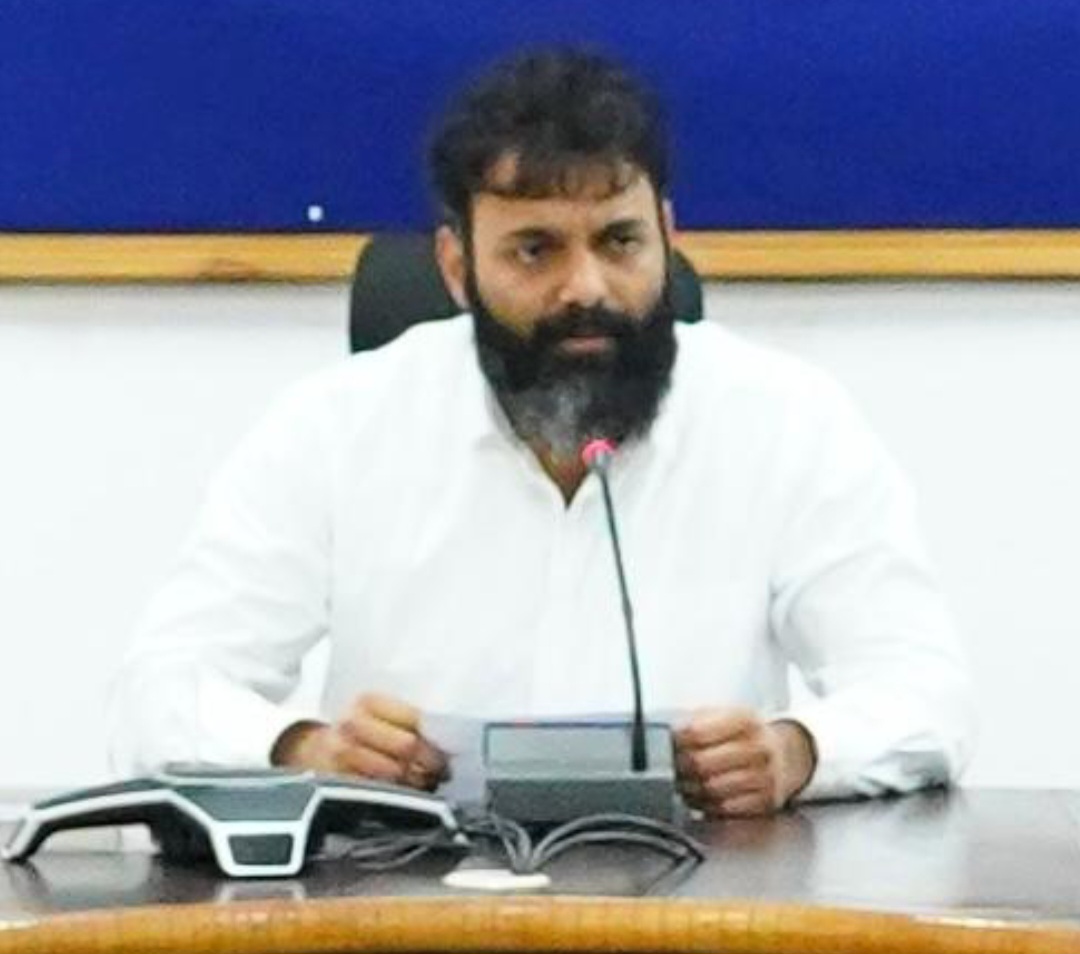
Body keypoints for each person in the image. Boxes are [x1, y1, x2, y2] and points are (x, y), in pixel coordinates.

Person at [110, 48, 973, 817]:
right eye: (535, 250)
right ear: (458, 268)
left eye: (620, 241)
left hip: (700, 900)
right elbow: (160, 692)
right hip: (408, 896)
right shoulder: (336, 427)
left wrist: (797, 752)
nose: (586, 287)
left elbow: (926, 692)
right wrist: (304, 750)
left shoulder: (786, 421)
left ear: (669, 239)